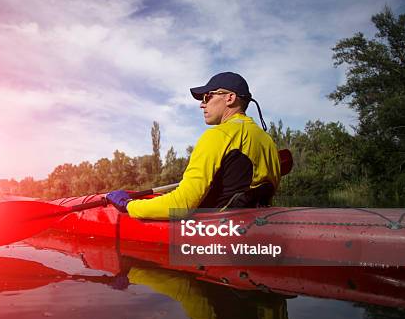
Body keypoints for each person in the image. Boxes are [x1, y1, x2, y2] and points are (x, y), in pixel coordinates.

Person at [106, 72, 281, 219]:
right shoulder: (267, 141)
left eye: (207, 96)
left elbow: (182, 204)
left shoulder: (219, 135)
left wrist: (130, 206)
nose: (201, 104)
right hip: (252, 227)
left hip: (215, 235)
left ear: (230, 98)